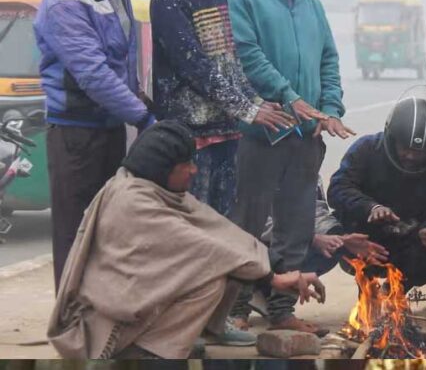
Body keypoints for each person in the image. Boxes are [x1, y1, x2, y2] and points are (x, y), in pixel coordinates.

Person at [47, 121, 325, 359]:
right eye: (186, 164)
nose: (193, 170)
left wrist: (278, 267)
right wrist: (272, 278)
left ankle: (168, 339)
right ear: (164, 168)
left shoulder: (155, 187)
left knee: (230, 261)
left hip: (136, 297)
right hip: (106, 323)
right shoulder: (133, 203)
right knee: (213, 275)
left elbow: (219, 230)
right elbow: (208, 249)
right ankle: (150, 350)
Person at [150, 0, 296, 346]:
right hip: (188, 134)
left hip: (225, 132)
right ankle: (178, 326)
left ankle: (215, 319)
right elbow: (194, 66)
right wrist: (248, 108)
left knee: (222, 231)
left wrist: (254, 103)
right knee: (186, 235)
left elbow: (228, 63)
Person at [226, 0, 353, 335]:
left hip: (306, 136)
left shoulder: (313, 6)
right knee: (246, 225)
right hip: (263, 132)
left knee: (295, 227)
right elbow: (247, 54)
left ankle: (281, 311)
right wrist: (290, 97)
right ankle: (236, 309)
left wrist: (331, 107)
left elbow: (328, 60)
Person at [34, 0, 155, 291]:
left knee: (108, 229)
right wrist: (142, 116)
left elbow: (123, 52)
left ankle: (101, 316)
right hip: (75, 135)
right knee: (75, 231)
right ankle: (71, 326)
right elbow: (93, 74)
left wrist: (138, 94)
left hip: (108, 128)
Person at [328, 87, 426, 291]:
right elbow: (337, 189)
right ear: (392, 137)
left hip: (410, 241)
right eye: (405, 148)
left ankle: (395, 295)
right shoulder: (366, 149)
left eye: (420, 152)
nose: (411, 157)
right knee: (339, 228)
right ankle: (367, 292)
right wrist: (370, 207)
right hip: (365, 239)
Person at [248, 178, 390, 317]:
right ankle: (238, 307)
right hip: (246, 248)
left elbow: (316, 210)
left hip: (283, 241)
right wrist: (312, 238)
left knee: (329, 251)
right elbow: (248, 222)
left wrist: (338, 238)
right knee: (247, 245)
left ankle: (270, 298)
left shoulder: (302, 164)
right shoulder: (255, 164)